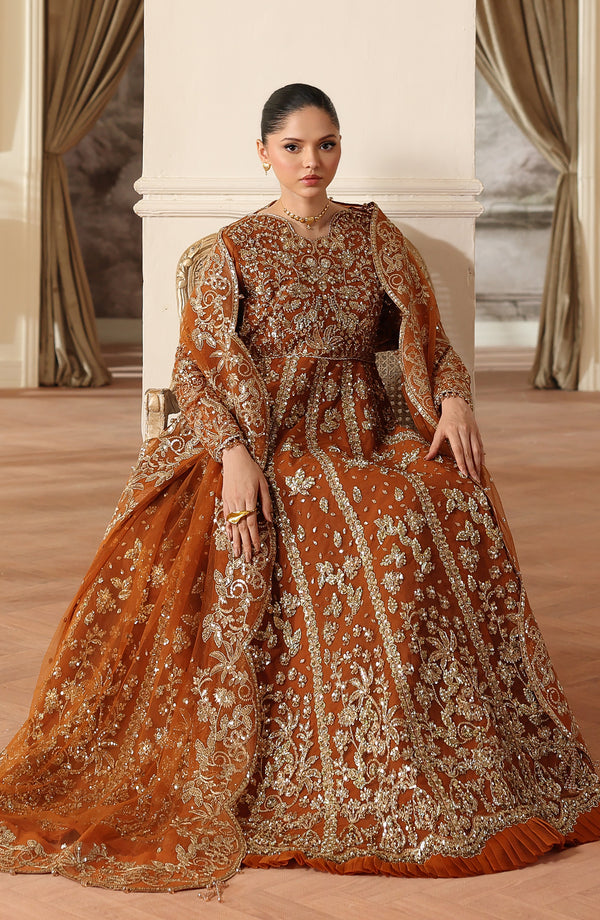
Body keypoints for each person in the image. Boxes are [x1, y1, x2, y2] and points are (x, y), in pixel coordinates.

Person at [0, 83, 598, 899]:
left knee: (440, 498)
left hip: (363, 429)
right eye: (293, 147)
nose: (312, 161)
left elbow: (430, 343)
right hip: (271, 435)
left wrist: (455, 398)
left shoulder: (376, 238)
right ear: (264, 154)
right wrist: (234, 456)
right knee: (355, 517)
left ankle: (439, 739)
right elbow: (195, 371)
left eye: (326, 144)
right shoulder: (232, 250)